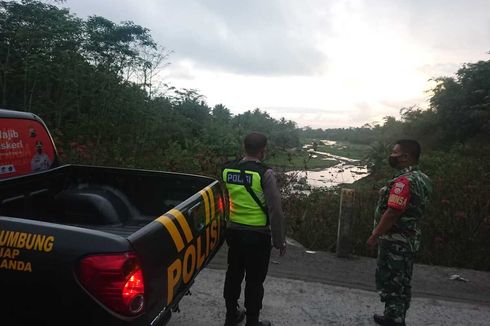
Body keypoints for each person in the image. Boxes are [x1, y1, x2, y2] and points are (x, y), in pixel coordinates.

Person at [222, 132, 287, 326]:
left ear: (244, 147)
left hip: (233, 232)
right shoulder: (264, 173)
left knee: (233, 273)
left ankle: (230, 315)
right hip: (257, 236)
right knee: (254, 280)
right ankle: (252, 321)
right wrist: (279, 240)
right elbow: (275, 210)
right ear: (263, 150)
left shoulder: (227, 170)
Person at [367, 139, 432, 326]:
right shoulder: (422, 178)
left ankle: (394, 319)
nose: (391, 156)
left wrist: (375, 234)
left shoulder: (403, 181)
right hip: (410, 238)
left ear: (405, 157)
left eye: (394, 153)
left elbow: (393, 211)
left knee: (391, 279)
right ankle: (394, 315)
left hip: (395, 240)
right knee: (402, 280)